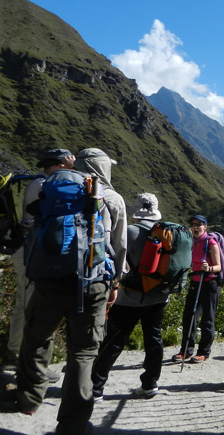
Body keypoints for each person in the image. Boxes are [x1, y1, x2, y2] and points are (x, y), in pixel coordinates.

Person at [15, 148, 126, 434]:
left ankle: (29, 398)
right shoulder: (110, 197)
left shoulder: (46, 186)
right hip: (92, 282)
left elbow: (31, 224)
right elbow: (120, 247)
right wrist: (114, 283)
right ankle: (73, 424)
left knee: (37, 336)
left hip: (49, 278)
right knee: (84, 351)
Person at [5, 149, 74, 380]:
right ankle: (21, 360)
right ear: (60, 163)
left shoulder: (41, 183)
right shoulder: (44, 185)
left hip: (28, 249)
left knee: (25, 303)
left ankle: (16, 354)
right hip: (30, 250)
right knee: (29, 304)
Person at [92, 193, 166, 400]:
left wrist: (114, 284)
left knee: (113, 340)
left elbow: (118, 261)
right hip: (159, 296)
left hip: (131, 297)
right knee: (154, 339)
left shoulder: (130, 232)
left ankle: (95, 387)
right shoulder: (167, 232)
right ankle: (150, 383)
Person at [172, 215, 221, 363]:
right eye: (193, 224)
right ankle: (186, 350)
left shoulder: (211, 243)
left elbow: (219, 267)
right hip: (195, 282)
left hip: (210, 283)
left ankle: (203, 352)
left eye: (199, 224)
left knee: (207, 319)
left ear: (205, 227)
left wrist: (210, 267)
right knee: (189, 316)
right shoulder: (190, 242)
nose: (195, 227)